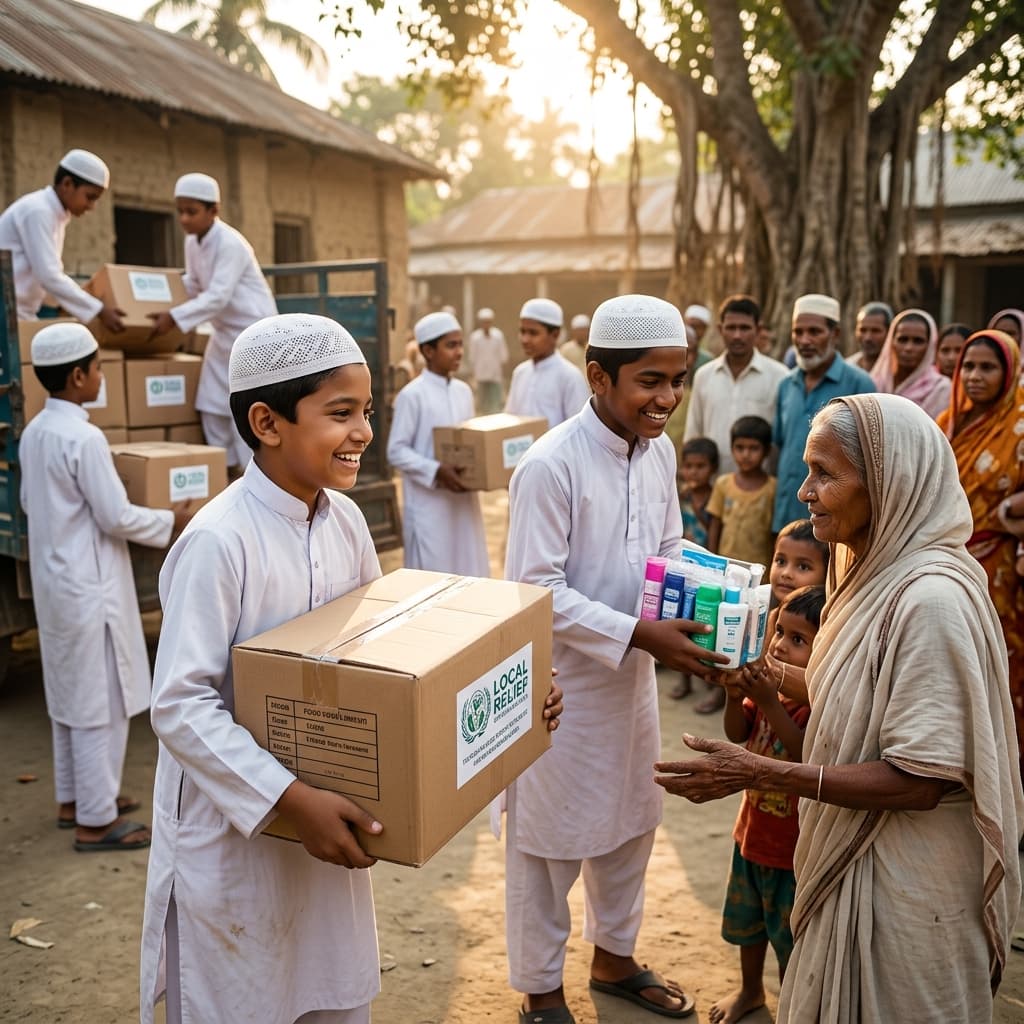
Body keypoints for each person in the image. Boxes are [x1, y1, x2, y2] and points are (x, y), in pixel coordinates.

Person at [139, 312, 563, 1024]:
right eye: (340, 413)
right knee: (243, 999)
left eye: (366, 411)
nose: (364, 432)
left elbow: (381, 662)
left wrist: (511, 705)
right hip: (241, 834)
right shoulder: (220, 541)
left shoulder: (345, 521)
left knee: (328, 995)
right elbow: (180, 705)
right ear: (268, 423)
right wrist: (287, 799)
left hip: (329, 816)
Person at [656, 393, 1024, 1023]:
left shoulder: (931, 601)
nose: (804, 492)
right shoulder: (870, 576)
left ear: (889, 483)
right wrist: (763, 675)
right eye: (806, 470)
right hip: (862, 866)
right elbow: (851, 695)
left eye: (826, 475)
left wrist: (759, 772)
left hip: (907, 891)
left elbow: (919, 781)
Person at [504, 294, 725, 1023]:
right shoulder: (549, 465)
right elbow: (535, 591)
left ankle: (615, 957)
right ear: (598, 377)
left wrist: (712, 603)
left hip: (631, 682)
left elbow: (665, 549)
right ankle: (539, 990)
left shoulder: (657, 451)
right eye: (650, 381)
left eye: (678, 379)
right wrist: (639, 633)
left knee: (632, 821)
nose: (667, 399)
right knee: (547, 844)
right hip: (562, 688)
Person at [20, 323, 189, 852]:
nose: (99, 378)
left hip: (56, 583)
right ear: (77, 376)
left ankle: (76, 799)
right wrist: (174, 521)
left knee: (70, 693)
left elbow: (29, 503)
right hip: (90, 589)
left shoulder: (35, 431)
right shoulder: (85, 438)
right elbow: (116, 516)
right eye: (95, 369)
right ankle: (96, 821)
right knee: (102, 700)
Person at [710, 585, 825, 1024]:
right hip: (752, 835)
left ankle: (792, 1008)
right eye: (779, 632)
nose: (780, 645)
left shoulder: (813, 707)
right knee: (749, 925)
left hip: (792, 852)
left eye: (798, 640)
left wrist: (768, 701)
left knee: (789, 938)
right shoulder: (762, 691)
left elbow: (802, 754)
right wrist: (729, 692)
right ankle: (750, 990)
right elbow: (737, 733)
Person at [936, 330, 1024, 780]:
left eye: (987, 367)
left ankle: (1004, 774)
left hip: (1000, 571)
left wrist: (1012, 509)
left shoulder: (1019, 426)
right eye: (967, 366)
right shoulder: (949, 422)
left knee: (1001, 668)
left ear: (1009, 374)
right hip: (944, 562)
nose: (973, 376)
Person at [148, 173, 277, 472]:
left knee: (244, 414)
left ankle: (253, 480)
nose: (184, 219)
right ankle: (227, 474)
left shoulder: (231, 243)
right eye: (180, 211)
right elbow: (193, 284)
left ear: (213, 211)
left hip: (253, 336)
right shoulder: (193, 242)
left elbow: (218, 296)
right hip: (223, 335)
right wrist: (155, 297)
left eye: (191, 211)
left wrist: (174, 318)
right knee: (210, 406)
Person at [387, 311, 489, 576]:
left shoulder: (463, 391)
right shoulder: (412, 395)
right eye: (450, 345)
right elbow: (396, 451)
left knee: (469, 577)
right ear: (428, 350)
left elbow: (470, 440)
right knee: (432, 583)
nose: (459, 352)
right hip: (428, 505)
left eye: (460, 344)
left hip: (463, 500)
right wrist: (435, 470)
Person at [772, 294, 874, 533]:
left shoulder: (860, 384)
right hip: (787, 513)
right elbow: (779, 448)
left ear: (835, 334)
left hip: (835, 521)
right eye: (798, 332)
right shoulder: (786, 384)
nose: (804, 340)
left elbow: (868, 460)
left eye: (814, 332)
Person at [0, 149, 124, 331]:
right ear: (67, 184)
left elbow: (46, 278)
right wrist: (99, 310)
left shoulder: (56, 215)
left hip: (20, 314)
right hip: (6, 314)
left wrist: (85, 299)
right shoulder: (38, 211)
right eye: (90, 197)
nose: (91, 206)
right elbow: (49, 276)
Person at [684, 295, 789, 475]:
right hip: (713, 487)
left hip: (760, 491)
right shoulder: (704, 375)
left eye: (745, 328)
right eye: (731, 328)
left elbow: (783, 440)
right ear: (720, 329)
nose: (737, 335)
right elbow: (694, 433)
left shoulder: (780, 376)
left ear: (758, 330)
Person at [671, 436, 719, 702]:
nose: (693, 472)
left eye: (700, 466)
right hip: (683, 567)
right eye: (688, 466)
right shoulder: (680, 495)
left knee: (707, 628)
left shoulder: (714, 497)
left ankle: (714, 686)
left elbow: (713, 532)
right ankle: (684, 679)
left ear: (712, 468)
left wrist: (711, 565)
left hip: (706, 569)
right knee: (683, 623)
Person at [505, 298, 589, 428]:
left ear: (555, 335)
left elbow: (580, 431)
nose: (525, 339)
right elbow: (509, 420)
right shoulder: (520, 373)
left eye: (533, 333)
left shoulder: (570, 377)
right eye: (522, 331)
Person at [707, 416, 776, 567]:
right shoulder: (723, 484)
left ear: (767, 451)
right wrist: (712, 562)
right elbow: (714, 527)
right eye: (740, 448)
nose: (745, 454)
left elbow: (775, 534)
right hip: (726, 567)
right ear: (731, 448)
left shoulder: (773, 488)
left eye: (753, 448)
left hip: (759, 570)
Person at [868, 308, 950, 419]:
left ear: (930, 346)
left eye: (918, 341)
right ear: (891, 342)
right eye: (902, 339)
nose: (908, 348)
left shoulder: (940, 388)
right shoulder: (874, 382)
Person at [468, 307, 509, 414]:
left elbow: (503, 356)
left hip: (495, 375)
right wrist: (473, 375)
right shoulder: (475, 337)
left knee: (495, 403)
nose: (486, 325)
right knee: (482, 404)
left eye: (488, 322)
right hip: (481, 375)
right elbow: (472, 357)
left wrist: (502, 373)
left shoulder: (498, 336)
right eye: (484, 322)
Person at [845, 302, 893, 372]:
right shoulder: (847, 368)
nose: (868, 338)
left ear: (889, 332)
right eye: (862, 330)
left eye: (875, 331)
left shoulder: (897, 370)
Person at [684, 303, 714, 368]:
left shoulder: (708, 361)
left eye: (698, 327)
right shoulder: (671, 354)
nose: (693, 331)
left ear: (705, 330)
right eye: (691, 326)